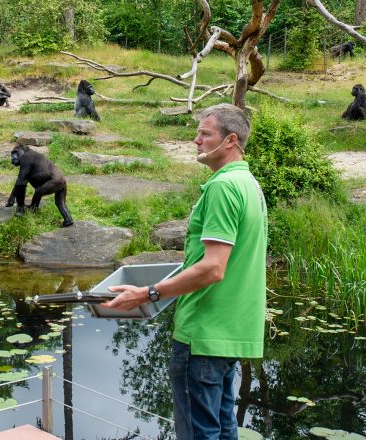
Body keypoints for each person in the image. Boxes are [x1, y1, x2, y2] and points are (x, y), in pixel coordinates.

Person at [103, 103, 267, 440]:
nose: (196, 141)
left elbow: (213, 268)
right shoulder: (249, 183)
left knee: (197, 434)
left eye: (205, 135)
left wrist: (149, 293)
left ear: (230, 140)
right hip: (231, 333)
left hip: (202, 334)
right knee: (223, 430)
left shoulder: (223, 188)